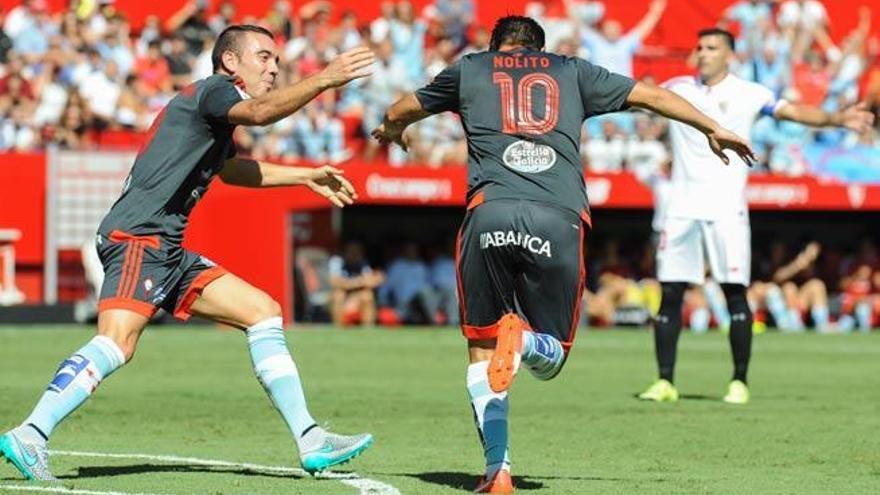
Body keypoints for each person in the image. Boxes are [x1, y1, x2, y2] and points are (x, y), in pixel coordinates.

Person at [373, 15, 756, 493]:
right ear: (539, 47)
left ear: (497, 47)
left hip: (488, 213)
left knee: (481, 346)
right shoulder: (573, 70)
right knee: (551, 360)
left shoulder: (470, 69)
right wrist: (712, 127)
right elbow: (654, 96)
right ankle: (528, 344)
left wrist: (393, 130)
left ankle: (498, 471)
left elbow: (398, 110)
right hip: (557, 217)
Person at [0, 25, 376, 480]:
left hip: (167, 248)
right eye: (263, 57)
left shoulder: (215, 112)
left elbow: (233, 171)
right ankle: (32, 433)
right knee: (117, 342)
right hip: (139, 237)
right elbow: (260, 114)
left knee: (262, 310)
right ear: (230, 62)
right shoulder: (218, 91)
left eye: (276, 59)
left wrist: (304, 176)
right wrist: (323, 79)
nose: (274, 67)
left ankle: (310, 439)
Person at [638, 28, 874, 406]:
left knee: (735, 293)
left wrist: (836, 119)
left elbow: (794, 112)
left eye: (711, 48)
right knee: (671, 293)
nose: (702, 53)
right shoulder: (677, 87)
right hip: (680, 208)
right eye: (698, 47)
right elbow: (637, 98)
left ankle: (739, 381)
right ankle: (665, 381)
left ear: (730, 55)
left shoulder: (750, 93)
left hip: (727, 208)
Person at [328, 241, 384, 326]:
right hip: (339, 297)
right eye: (351, 251)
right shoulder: (337, 261)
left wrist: (350, 284)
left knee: (367, 296)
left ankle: (368, 330)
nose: (354, 254)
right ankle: (338, 328)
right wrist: (359, 282)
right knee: (338, 295)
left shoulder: (363, 263)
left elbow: (371, 281)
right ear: (345, 251)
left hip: (356, 297)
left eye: (357, 251)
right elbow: (335, 282)